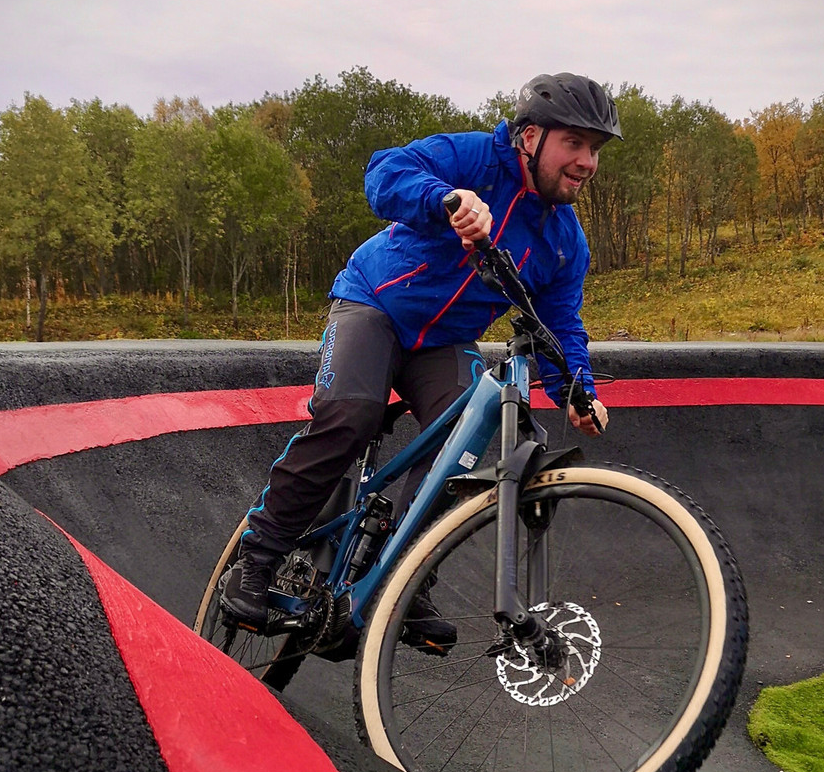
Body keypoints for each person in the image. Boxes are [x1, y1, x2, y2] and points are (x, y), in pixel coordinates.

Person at [220, 73, 622, 649]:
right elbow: (384, 173)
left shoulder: (565, 241)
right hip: (374, 303)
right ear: (531, 137)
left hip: (444, 342)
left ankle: (403, 579)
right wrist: (447, 199)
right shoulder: (474, 157)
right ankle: (257, 558)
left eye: (595, 149)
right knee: (350, 418)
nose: (587, 161)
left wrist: (577, 391)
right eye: (575, 143)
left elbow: (558, 321)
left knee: (462, 444)